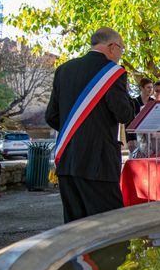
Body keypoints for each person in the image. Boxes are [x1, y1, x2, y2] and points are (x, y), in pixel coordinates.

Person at [45, 27, 135, 223]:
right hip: (98, 163)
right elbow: (124, 114)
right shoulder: (113, 73)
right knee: (110, 228)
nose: (120, 55)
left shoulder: (64, 69)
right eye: (122, 49)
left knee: (74, 230)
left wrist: (78, 133)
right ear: (112, 47)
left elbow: (51, 116)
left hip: (68, 160)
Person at [133, 81, 160, 158]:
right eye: (157, 91)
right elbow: (140, 134)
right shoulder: (143, 109)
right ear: (152, 93)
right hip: (147, 153)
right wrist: (149, 152)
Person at [126, 77, 153, 154]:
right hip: (136, 138)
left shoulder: (154, 102)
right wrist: (129, 140)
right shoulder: (133, 103)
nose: (150, 89)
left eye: (151, 87)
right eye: (148, 87)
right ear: (141, 88)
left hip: (151, 139)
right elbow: (128, 122)